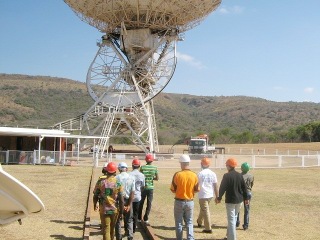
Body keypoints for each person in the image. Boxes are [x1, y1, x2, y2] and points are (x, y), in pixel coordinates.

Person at [216, 158, 249, 240]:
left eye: (226, 165)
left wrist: (219, 198)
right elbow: (244, 188)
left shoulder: (226, 176)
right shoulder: (240, 175)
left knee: (231, 220)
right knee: (233, 218)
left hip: (230, 201)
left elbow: (222, 188)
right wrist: (246, 199)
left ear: (229, 166)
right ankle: (228, 235)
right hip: (239, 201)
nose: (226, 166)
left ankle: (232, 238)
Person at [170, 154, 199, 240]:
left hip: (179, 201)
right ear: (188, 163)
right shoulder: (194, 175)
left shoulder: (177, 174)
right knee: (189, 221)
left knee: (179, 222)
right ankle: (190, 238)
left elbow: (172, 189)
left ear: (181, 163)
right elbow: (197, 189)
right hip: (190, 201)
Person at [93, 162, 124, 240]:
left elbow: (95, 195)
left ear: (106, 171)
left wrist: (95, 204)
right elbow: (121, 199)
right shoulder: (118, 183)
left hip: (104, 209)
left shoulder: (101, 181)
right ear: (115, 171)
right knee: (112, 229)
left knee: (106, 229)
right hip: (114, 210)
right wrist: (121, 212)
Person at [196, 157, 219, 234]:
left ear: (202, 164)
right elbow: (215, 185)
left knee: (205, 210)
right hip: (210, 195)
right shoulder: (213, 173)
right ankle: (199, 221)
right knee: (204, 209)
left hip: (203, 195)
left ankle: (208, 228)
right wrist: (217, 196)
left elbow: (196, 184)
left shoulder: (200, 173)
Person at [115, 162, 135, 240]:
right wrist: (129, 205)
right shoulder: (131, 177)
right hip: (128, 200)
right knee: (129, 219)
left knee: (118, 220)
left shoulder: (116, 178)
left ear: (119, 169)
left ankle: (119, 237)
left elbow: (116, 192)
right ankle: (130, 236)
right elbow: (132, 192)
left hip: (119, 201)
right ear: (126, 169)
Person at [138, 153, 159, 225]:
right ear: (152, 160)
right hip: (150, 188)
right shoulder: (155, 168)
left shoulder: (142, 167)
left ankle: (138, 218)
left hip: (143, 187)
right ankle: (146, 218)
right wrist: (152, 178)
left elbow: (140, 177)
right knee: (149, 203)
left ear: (146, 160)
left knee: (141, 202)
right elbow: (157, 178)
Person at [236, 162, 254, 230]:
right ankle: (246, 225)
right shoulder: (251, 176)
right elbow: (251, 185)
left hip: (240, 193)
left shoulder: (239, 175)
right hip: (248, 194)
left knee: (237, 208)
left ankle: (237, 222)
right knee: (247, 209)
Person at [129, 157, 145, 233]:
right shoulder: (142, 175)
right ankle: (134, 229)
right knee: (135, 213)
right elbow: (143, 186)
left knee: (129, 214)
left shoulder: (129, 175)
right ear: (139, 166)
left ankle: (128, 229)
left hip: (129, 197)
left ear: (132, 166)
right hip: (137, 197)